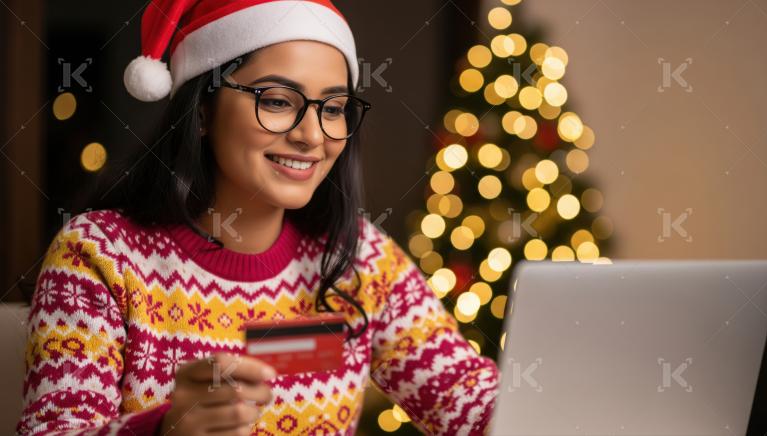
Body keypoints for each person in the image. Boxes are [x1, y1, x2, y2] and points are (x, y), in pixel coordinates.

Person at [16, 0, 499, 434]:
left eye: (333, 108)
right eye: (277, 101)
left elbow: (472, 405)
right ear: (202, 111)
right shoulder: (100, 255)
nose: (313, 136)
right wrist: (165, 429)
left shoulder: (363, 260)